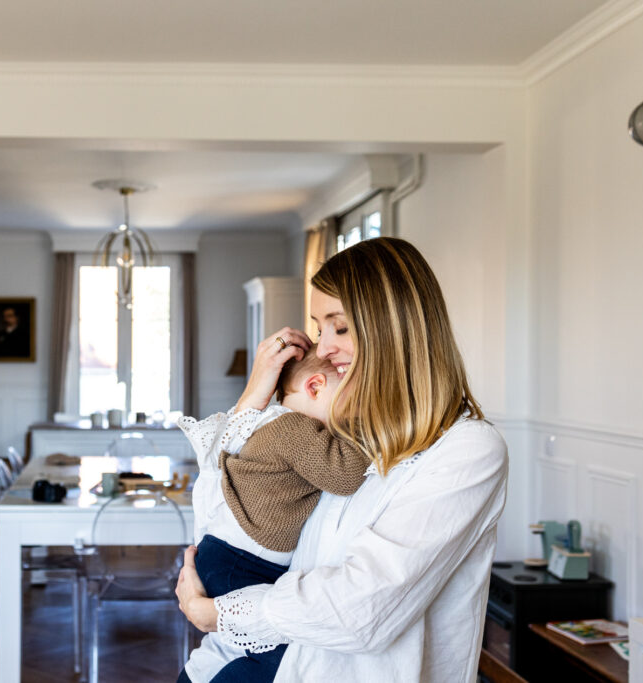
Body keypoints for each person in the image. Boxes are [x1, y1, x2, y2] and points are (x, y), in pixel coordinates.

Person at [175, 237, 508, 682]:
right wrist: (254, 397)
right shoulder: (334, 429)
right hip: (222, 663)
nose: (324, 348)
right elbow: (220, 512)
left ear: (396, 328)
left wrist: (219, 613)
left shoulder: (466, 450)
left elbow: (361, 609)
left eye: (342, 327)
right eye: (319, 329)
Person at [177, 351, 371, 682]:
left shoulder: (269, 422)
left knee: (236, 647)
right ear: (315, 386)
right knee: (279, 657)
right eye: (351, 403)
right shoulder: (295, 428)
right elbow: (345, 475)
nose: (348, 415)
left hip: (228, 556)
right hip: (241, 563)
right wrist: (363, 427)